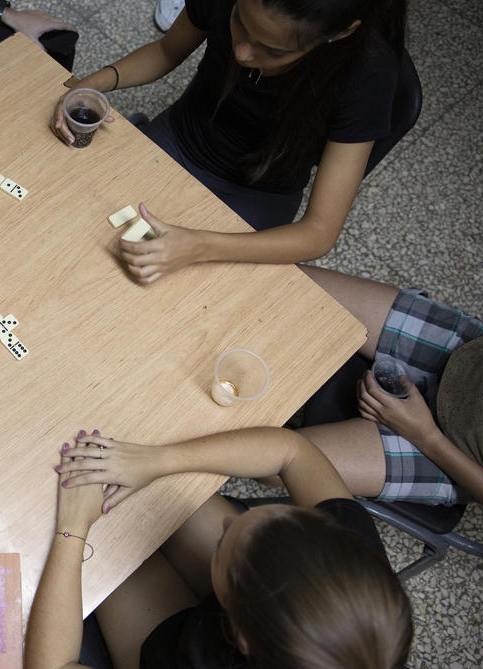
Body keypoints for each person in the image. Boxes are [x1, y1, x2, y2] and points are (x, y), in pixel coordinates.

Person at [50, 0, 406, 285]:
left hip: (260, 195)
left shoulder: (367, 75)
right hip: (179, 138)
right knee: (76, 223)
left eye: (272, 50)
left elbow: (319, 232)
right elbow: (165, 51)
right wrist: (92, 83)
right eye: (239, 22)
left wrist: (200, 246)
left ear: (338, 35)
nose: (243, 53)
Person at [25, 427, 412, 669]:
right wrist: (159, 460)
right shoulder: (351, 555)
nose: (228, 519)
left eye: (224, 542)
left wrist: (72, 529)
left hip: (167, 654)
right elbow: (292, 451)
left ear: (239, 635)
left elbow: (53, 664)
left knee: (107, 540)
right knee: (152, 492)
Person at [293, 265, 483, 506]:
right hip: (467, 357)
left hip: (454, 456)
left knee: (274, 462)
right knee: (291, 281)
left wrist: (425, 435)